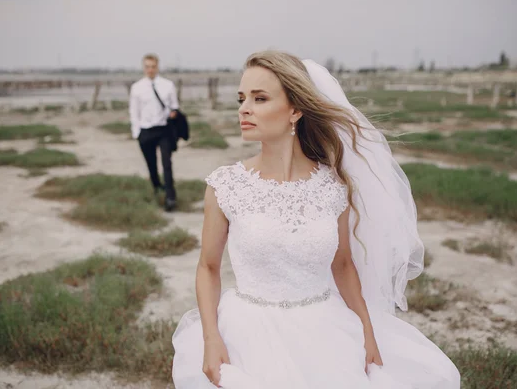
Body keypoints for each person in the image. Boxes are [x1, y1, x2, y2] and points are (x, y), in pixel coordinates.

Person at [171, 51, 461, 389]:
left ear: (295, 110)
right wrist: (211, 339)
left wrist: (367, 331)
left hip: (326, 330)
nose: (244, 108)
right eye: (242, 98)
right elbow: (208, 268)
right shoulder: (225, 185)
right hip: (248, 333)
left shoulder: (333, 186)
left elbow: (344, 266)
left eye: (259, 98)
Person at [129, 53, 180, 211]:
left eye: (153, 66)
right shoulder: (136, 87)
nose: (150, 70)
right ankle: (158, 187)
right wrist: (136, 133)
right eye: (147, 67)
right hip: (145, 131)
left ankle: (170, 197)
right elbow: (133, 112)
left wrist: (173, 113)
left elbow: (175, 106)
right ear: (143, 68)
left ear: (157, 67)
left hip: (163, 129)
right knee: (151, 164)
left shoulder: (168, 85)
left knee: (167, 164)